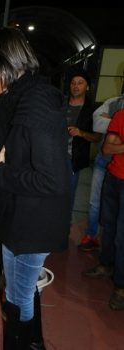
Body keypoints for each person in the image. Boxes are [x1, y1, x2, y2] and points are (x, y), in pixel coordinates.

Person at [0, 27, 71, 349]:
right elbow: (6, 163)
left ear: (5, 64)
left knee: (17, 296)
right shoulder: (18, 100)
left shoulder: (36, 103)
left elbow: (51, 179)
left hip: (33, 220)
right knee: (21, 293)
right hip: (18, 213)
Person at [82, 108, 124, 310]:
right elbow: (107, 149)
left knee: (122, 236)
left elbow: (114, 146)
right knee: (109, 226)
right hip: (114, 177)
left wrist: (119, 145)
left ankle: (121, 287)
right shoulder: (121, 115)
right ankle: (106, 265)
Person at [78, 94, 124, 251]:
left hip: (120, 165)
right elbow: (97, 123)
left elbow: (104, 123)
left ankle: (111, 248)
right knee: (95, 202)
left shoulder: (113, 108)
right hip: (103, 160)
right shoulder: (114, 102)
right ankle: (91, 235)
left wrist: (111, 121)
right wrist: (117, 122)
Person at [66, 70, 100, 213]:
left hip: (73, 159)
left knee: (68, 195)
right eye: (73, 83)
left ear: (87, 87)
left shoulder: (92, 110)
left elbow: (97, 137)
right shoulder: (60, 104)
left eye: (80, 83)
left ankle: (64, 227)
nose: (76, 86)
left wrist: (81, 133)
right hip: (52, 156)